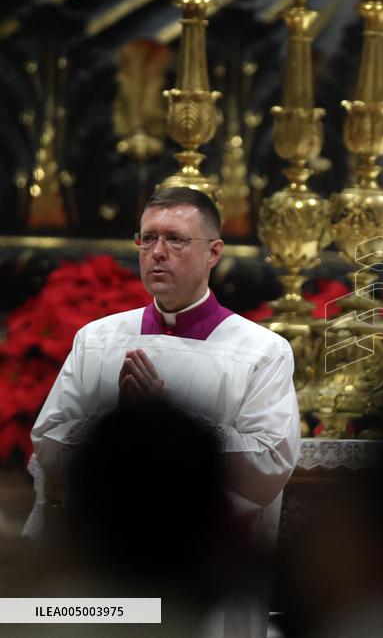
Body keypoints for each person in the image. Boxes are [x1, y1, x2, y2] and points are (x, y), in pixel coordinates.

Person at [25, 186, 300, 637]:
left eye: (175, 240)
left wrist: (164, 425)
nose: (157, 252)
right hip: (106, 564)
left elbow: (271, 460)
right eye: (148, 238)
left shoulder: (261, 351)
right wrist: (124, 429)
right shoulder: (98, 339)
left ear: (214, 252)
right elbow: (50, 436)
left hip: (203, 570)